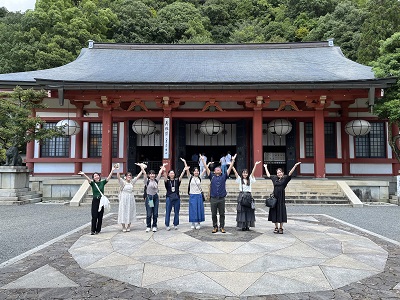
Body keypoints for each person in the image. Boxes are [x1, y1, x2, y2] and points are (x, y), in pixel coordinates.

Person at [202, 153, 236, 233]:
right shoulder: (212, 176)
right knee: (213, 214)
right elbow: (206, 168)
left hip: (221, 198)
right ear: (214, 171)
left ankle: (222, 227)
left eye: (219, 169)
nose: (218, 170)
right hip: (213, 198)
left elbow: (230, 168)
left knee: (222, 214)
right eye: (216, 169)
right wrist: (203, 161)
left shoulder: (224, 177)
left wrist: (233, 160)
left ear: (221, 171)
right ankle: (215, 226)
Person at [264, 162, 301, 234]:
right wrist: (265, 167)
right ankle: (276, 227)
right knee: (274, 212)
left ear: (282, 173)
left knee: (281, 212)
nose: (279, 174)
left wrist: (295, 165)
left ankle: (281, 227)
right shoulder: (274, 178)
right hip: (275, 198)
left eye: (280, 172)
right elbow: (268, 175)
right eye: (278, 173)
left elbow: (290, 173)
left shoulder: (285, 179)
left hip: (281, 199)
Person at [78, 166, 117, 235]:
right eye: (94, 176)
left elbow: (108, 178)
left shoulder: (102, 183)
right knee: (94, 216)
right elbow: (88, 179)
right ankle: (93, 230)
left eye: (97, 175)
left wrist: (112, 170)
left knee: (100, 216)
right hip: (95, 201)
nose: (96, 176)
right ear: (93, 178)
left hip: (101, 201)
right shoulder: (93, 184)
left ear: (99, 176)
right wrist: (84, 174)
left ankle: (98, 230)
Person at [232, 160, 261, 231]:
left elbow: (252, 173)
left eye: (246, 173)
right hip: (242, 196)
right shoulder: (239, 179)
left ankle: (248, 225)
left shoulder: (250, 179)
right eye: (244, 173)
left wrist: (255, 165)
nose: (245, 174)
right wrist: (232, 165)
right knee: (242, 211)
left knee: (249, 211)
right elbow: (235, 173)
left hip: (248, 196)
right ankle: (243, 225)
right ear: (242, 174)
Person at [116, 163, 145, 232]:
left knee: (130, 211)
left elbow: (138, 176)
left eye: (130, 175)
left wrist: (142, 169)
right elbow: (118, 177)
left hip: (130, 198)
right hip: (124, 198)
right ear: (125, 177)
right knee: (123, 211)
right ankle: (123, 226)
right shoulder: (123, 182)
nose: (129, 176)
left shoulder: (132, 182)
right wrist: (118, 169)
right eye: (128, 175)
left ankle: (128, 225)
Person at [180, 157, 209, 230]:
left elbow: (205, 169)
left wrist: (207, 164)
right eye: (195, 171)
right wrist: (184, 162)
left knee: (199, 209)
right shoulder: (190, 177)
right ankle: (193, 222)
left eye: (197, 171)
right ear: (193, 172)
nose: (196, 172)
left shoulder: (200, 177)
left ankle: (198, 222)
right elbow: (187, 169)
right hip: (192, 195)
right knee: (193, 209)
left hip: (199, 195)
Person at [163, 165, 189, 231]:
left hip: (176, 198)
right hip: (169, 197)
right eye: (170, 173)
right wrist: (164, 170)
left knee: (176, 212)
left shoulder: (177, 181)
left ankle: (175, 224)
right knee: (168, 212)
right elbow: (165, 177)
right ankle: (167, 225)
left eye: (173, 173)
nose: (172, 174)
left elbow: (181, 177)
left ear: (174, 174)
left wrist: (184, 170)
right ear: (169, 174)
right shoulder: (167, 181)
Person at [143, 163, 167, 232]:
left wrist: (163, 167)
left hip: (155, 197)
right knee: (149, 213)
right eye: (150, 174)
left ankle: (154, 225)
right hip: (150, 198)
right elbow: (144, 174)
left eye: (153, 174)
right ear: (149, 175)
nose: (152, 175)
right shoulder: (147, 181)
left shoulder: (156, 180)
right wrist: (142, 167)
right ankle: (148, 226)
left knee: (155, 213)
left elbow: (160, 173)